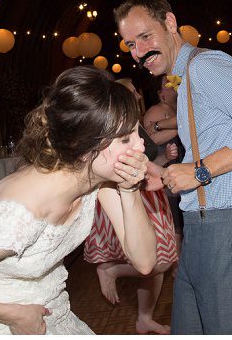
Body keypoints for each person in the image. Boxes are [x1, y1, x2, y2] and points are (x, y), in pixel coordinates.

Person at [0, 67, 157, 334]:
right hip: (3, 324)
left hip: (55, 314)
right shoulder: (20, 211)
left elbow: (145, 262)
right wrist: (11, 314)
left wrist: (129, 189)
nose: (141, 146)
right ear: (84, 148)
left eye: (137, 133)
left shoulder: (95, 180)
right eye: (126, 138)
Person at [115, 0, 232, 334]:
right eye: (130, 45)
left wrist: (200, 170)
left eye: (145, 37)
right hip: (200, 233)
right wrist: (167, 174)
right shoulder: (185, 78)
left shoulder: (207, 66)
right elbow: (212, 149)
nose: (138, 53)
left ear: (169, 23)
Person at [84, 78, 178, 335]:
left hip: (147, 193)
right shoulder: (114, 126)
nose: (136, 93)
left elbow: (147, 159)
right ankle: (112, 270)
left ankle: (144, 318)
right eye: (130, 89)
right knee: (159, 261)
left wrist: (165, 166)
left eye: (136, 89)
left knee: (159, 266)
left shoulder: (132, 124)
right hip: (129, 194)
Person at [142, 75, 185, 245]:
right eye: (167, 84)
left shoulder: (179, 109)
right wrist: (180, 129)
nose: (172, 85)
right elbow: (149, 140)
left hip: (180, 169)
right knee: (174, 226)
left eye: (174, 82)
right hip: (164, 170)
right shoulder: (157, 110)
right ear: (161, 94)